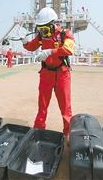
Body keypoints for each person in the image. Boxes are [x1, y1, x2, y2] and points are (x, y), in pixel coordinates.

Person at [22, 7, 75, 138]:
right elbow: (31, 46)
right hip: (46, 74)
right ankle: (39, 129)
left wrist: (50, 51)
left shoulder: (65, 34)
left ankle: (68, 133)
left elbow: (69, 49)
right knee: (42, 104)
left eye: (45, 29)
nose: (43, 32)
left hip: (62, 74)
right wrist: (24, 42)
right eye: (40, 29)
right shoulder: (41, 36)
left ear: (53, 24)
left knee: (65, 106)